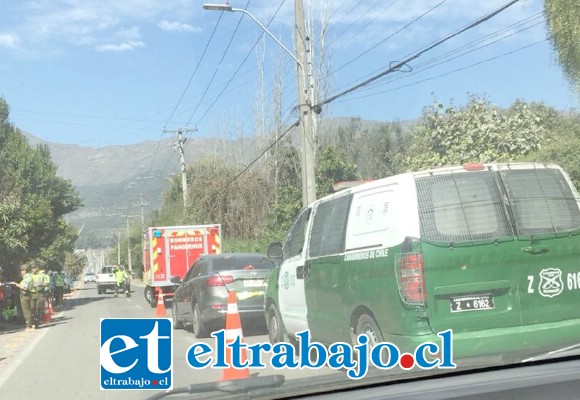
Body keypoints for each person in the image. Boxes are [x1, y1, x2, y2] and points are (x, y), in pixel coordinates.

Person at [10, 264, 34, 330]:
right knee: (28, 310)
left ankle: (29, 325)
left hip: (25, 294)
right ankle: (30, 324)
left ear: (24, 271)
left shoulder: (27, 277)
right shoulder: (27, 277)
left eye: (22, 271)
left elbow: (24, 287)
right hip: (26, 294)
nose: (21, 272)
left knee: (26, 310)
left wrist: (16, 284)